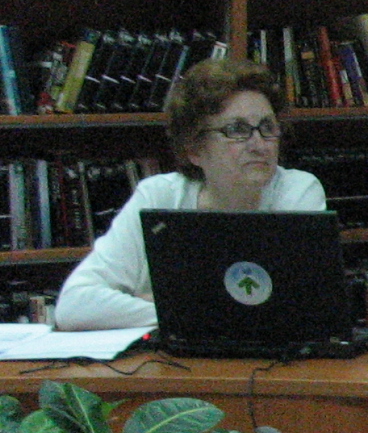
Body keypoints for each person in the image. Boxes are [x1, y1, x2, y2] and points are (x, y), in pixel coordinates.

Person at [55, 58, 324, 332]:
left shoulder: (297, 191)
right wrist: (175, 311)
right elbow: (73, 306)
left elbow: (297, 308)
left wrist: (163, 305)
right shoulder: (158, 197)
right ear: (194, 150)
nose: (259, 145)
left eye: (267, 128)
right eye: (237, 130)